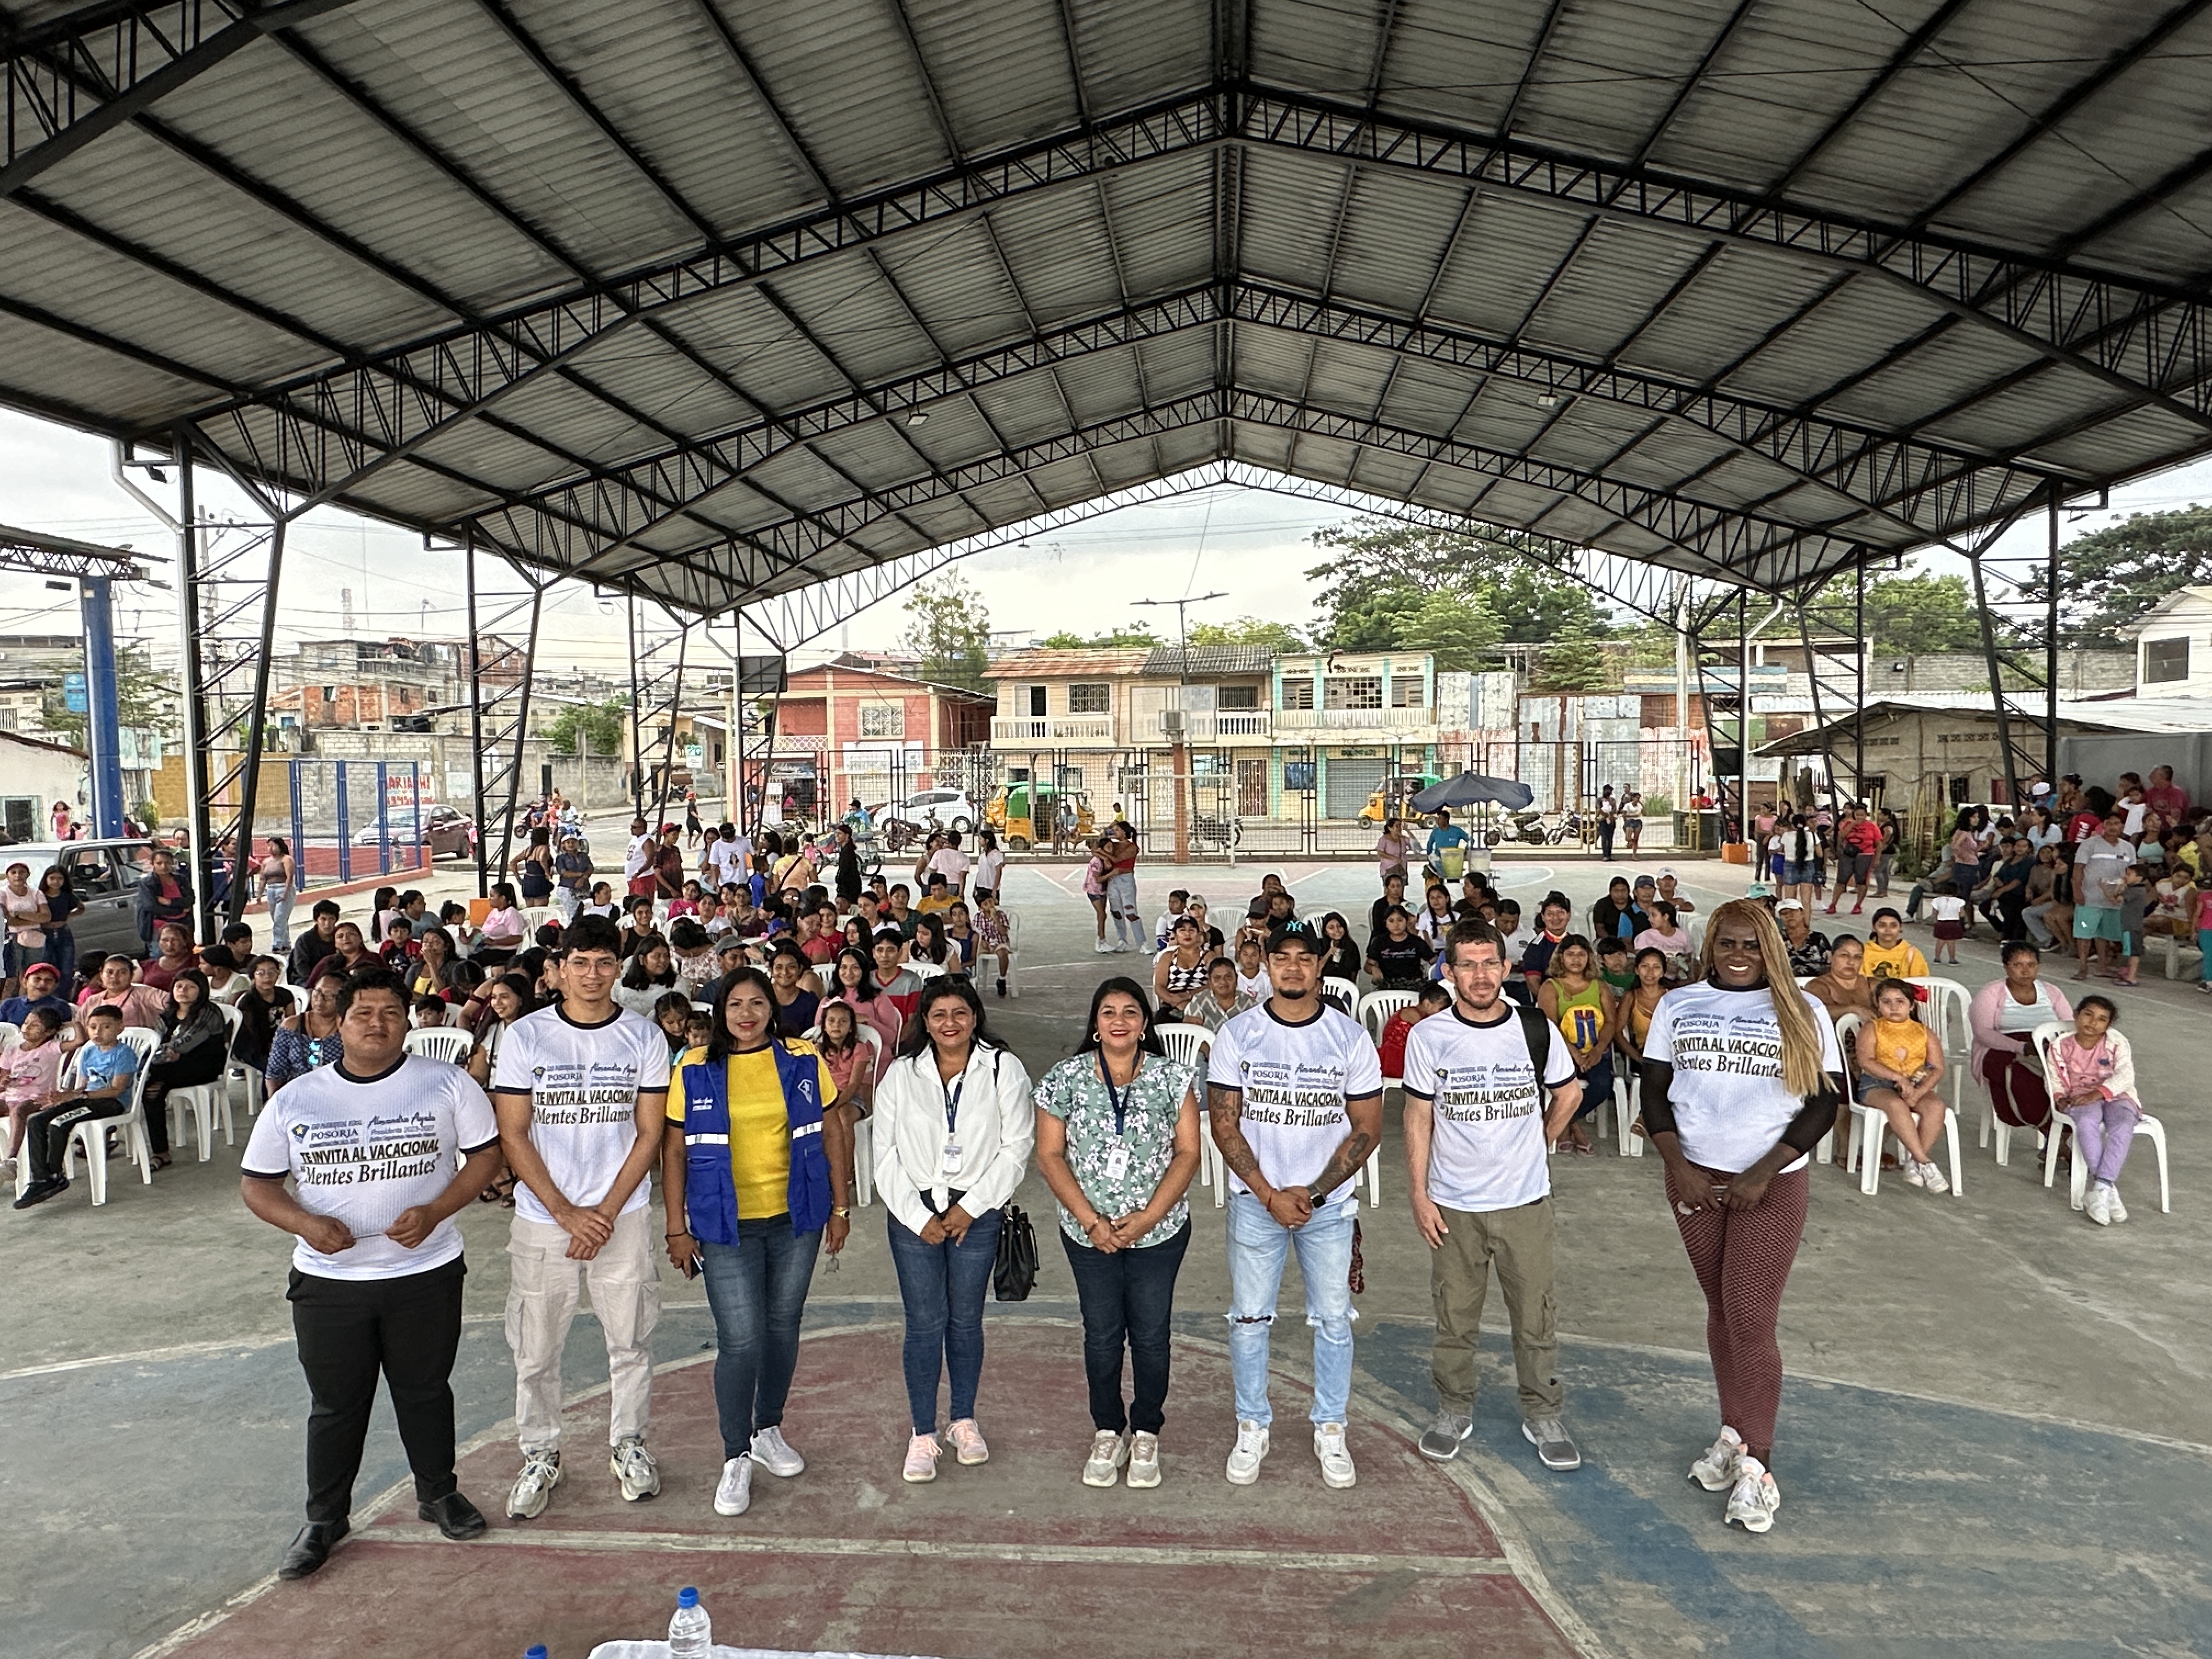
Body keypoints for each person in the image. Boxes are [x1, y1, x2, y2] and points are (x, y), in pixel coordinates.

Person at [237, 967, 501, 1577]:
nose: (377, 1024)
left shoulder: (447, 1084)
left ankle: (438, 1493)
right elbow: (257, 1185)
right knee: (335, 1404)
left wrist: (436, 1211)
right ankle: (325, 1518)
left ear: (408, 1022)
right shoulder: (297, 1097)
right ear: (338, 1022)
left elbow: (486, 1156)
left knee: (425, 1390)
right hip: (329, 1285)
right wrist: (305, 1224)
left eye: (390, 1013)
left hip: (425, 1273)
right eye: (363, 1013)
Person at [1639, 900, 1844, 1536]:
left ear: (1771, 950)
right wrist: (1679, 1166)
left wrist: (1764, 1170)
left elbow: (1824, 1103)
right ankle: (1734, 1434)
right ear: (1710, 947)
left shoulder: (1802, 1009)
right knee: (1721, 1312)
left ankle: (1760, 1467)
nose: (1738, 955)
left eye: (1751, 945)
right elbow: (1654, 1090)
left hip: (1768, 1184)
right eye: (1727, 943)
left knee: (1752, 1320)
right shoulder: (1679, 1005)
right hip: (1695, 1180)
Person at [489, 915, 672, 1521]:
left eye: (604, 963)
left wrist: (605, 1213)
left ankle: (629, 1443)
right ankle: (540, 1453)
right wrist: (567, 1213)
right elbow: (513, 1134)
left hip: (623, 1216)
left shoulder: (644, 1037)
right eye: (581, 963)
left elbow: (649, 1134)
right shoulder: (525, 1036)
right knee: (537, 1348)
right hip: (545, 1219)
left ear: (618, 968)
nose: (593, 975)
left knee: (631, 1339)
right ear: (559, 969)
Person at [663, 962, 853, 1504]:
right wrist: (676, 1228)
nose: (746, 1014)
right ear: (720, 1012)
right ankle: (735, 1455)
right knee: (741, 1340)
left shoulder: (802, 1058)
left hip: (797, 1219)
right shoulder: (695, 1066)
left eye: (757, 1003)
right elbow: (673, 1151)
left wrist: (841, 1207)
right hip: (725, 1225)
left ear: (773, 1009)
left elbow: (833, 1130)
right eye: (734, 1005)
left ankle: (767, 1428)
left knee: (782, 1327)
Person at [1205, 918, 1383, 1490]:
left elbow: (1367, 1127)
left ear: (1321, 964)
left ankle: (1331, 1426)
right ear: (1266, 964)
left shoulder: (1349, 1037)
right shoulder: (1239, 1034)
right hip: (1256, 1203)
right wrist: (1269, 1194)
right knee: (1249, 1319)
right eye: (1281, 956)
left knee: (1333, 1320)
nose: (1292, 967)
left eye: (1304, 957)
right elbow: (1225, 1125)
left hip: (1326, 1209)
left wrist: (1315, 1192)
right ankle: (1252, 1424)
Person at [1403, 919, 1585, 1470]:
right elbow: (1418, 1117)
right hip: (1454, 1205)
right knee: (1454, 1316)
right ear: (1449, 971)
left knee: (1535, 1316)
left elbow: (1569, 1094)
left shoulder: (1534, 1029)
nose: (1480, 976)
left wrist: (1539, 1141)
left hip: (1525, 1201)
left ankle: (1543, 1413)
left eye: (1490, 964)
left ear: (1506, 968)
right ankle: (1453, 1409)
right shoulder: (1429, 1037)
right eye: (1468, 965)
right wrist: (1420, 1194)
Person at [1034, 979, 1202, 1488]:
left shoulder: (1172, 1077)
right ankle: (1108, 1428)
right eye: (1108, 1012)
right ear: (1095, 1023)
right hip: (1089, 1234)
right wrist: (1091, 1221)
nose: (1119, 1021)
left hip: (1159, 1232)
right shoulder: (1064, 1078)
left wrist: (1148, 1217)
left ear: (1145, 1023)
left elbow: (1188, 1152)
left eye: (1130, 1011)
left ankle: (1147, 1430)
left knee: (1151, 1334)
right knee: (1103, 1334)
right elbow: (1050, 1155)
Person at [873, 977, 1035, 1483]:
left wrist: (973, 1207)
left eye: (960, 1013)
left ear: (975, 1017)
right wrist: (917, 1216)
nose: (950, 1023)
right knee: (924, 1323)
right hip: (913, 1212)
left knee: (965, 1321)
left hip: (978, 1211)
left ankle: (963, 1420)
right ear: (925, 1021)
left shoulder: (1003, 1068)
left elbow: (1017, 1148)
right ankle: (923, 1432)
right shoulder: (901, 1074)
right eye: (939, 1014)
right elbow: (884, 1155)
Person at [12, 1002, 140, 1207]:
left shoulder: (123, 1053)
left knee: (59, 1123)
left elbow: (117, 1090)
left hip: (111, 1102)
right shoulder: (88, 1052)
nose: (98, 1032)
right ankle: (41, 1178)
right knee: (36, 1121)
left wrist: (78, 1096)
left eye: (106, 1027)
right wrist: (65, 1096)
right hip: (86, 1098)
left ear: (120, 1028)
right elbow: (82, 1084)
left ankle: (55, 1175)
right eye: (93, 1027)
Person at [1853, 979, 1950, 1193]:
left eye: (1900, 1001)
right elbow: (1866, 1061)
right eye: (1886, 1002)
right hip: (1878, 1084)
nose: (1894, 1007)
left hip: (1915, 1085)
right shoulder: (1872, 1028)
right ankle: (1924, 1162)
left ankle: (1914, 1163)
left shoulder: (1924, 1032)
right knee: (1896, 1105)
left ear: (1911, 1005)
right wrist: (1897, 1077)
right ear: (1878, 1005)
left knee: (1936, 1107)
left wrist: (1919, 1092)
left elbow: (1937, 1068)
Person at [2050, 996, 2140, 1225]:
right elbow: (2054, 1078)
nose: (2093, 1023)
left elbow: (2126, 1076)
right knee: (2087, 1122)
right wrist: (2060, 1097)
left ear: (2109, 1025)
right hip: (2080, 1097)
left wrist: (2098, 1093)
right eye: (2088, 1015)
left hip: (2117, 1095)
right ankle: (2107, 1190)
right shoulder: (2060, 1046)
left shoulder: (2117, 1042)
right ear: (2076, 1015)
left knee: (2123, 1125)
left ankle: (2101, 1188)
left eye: (2102, 1019)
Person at [1970, 940, 2072, 1136]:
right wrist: (2022, 1047)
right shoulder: (1991, 993)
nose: (2025, 971)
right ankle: (2051, 1132)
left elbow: (2069, 1025)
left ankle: (2062, 1130)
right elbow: (1983, 1033)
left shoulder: (2051, 992)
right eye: (2018, 965)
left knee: (2073, 1076)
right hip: (2002, 1048)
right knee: (2024, 1076)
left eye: (2031, 965)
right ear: (2006, 967)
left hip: (2047, 1047)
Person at [140, 968, 229, 1170]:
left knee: (150, 1078)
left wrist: (167, 1054)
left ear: (202, 990)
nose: (183, 991)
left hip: (204, 1064)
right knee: (151, 1090)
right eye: (179, 986)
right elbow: (155, 1041)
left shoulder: (209, 1013)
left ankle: (160, 1153)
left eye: (190, 987)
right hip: (169, 1066)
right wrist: (164, 1054)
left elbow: (188, 1043)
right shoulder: (168, 1013)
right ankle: (160, 1152)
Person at [1537, 935, 1614, 1155]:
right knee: (1565, 1086)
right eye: (1570, 954)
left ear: (1589, 958)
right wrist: (1574, 1054)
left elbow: (1610, 1022)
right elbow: (1551, 1025)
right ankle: (1576, 1130)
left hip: (1595, 1051)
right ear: (1561, 958)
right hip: (1562, 1053)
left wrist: (1597, 1050)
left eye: (1581, 954)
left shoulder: (1600, 987)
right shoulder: (1551, 987)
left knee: (1603, 1084)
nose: (1576, 959)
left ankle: (1569, 1121)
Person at [2069, 809, 2133, 982]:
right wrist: (2077, 891)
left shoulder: (2128, 848)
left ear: (2122, 826)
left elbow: (2131, 873)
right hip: (2089, 898)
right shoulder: (2089, 845)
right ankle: (2082, 968)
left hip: (2113, 900)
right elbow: (2078, 869)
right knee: (2084, 933)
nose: (2113, 827)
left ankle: (2102, 967)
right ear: (2103, 825)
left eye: (2117, 824)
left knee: (2105, 934)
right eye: (2109, 823)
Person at [2, 1007, 65, 1171]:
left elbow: (78, 1041)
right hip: (11, 1095)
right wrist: (4, 1082)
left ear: (49, 1032)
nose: (27, 1028)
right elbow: (4, 1076)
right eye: (26, 1023)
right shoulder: (13, 1049)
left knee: (19, 1112)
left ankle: (10, 1160)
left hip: (38, 1097)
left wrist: (72, 1025)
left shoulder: (51, 1048)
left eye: (35, 1025)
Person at [268, 974, 346, 1093]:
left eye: (329, 996)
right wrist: (274, 1099)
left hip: (337, 1092)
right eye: (317, 992)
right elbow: (275, 1072)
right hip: (297, 1091)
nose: (320, 999)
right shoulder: (292, 1025)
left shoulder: (348, 1029)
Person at [1377, 979, 1451, 1076]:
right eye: (1441, 1009)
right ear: (1427, 1004)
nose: (1443, 1013)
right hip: (1397, 1061)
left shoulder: (1421, 1015)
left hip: (1406, 1057)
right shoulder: (1414, 1016)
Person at [1152, 914, 1212, 1022]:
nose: (1187, 934)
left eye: (1192, 930)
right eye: (1182, 930)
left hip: (1201, 1003)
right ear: (1175, 935)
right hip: (1172, 1005)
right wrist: (1173, 1000)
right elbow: (1159, 986)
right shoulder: (1168, 956)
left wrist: (1189, 997)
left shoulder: (1208, 956)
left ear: (1198, 935)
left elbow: (1214, 983)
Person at [134, 846, 192, 953]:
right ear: (153, 864)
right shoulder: (147, 883)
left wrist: (170, 902)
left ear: (172, 863)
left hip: (183, 925)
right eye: (159, 863)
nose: (164, 867)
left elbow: (190, 900)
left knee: (184, 954)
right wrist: (179, 910)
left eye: (167, 863)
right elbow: (151, 907)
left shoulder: (181, 880)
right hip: (159, 927)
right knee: (159, 955)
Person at [1365, 905, 1435, 990]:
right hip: (1386, 987)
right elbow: (1368, 965)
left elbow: (1434, 961)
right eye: (1391, 921)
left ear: (1407, 921)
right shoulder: (1379, 942)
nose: (1396, 925)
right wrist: (1373, 969)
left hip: (1413, 986)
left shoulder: (1417, 942)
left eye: (1400, 920)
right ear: (1386, 923)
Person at [1182, 955, 1256, 1034]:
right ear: (1210, 982)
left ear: (1237, 978)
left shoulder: (1249, 1003)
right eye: (1217, 978)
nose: (1223, 981)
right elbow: (1191, 1035)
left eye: (1228, 977)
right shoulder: (1199, 1001)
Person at [614, 935, 679, 1020]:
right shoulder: (622, 980)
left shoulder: (676, 984)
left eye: (666, 956)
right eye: (657, 956)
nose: (663, 960)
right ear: (642, 959)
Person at [1858, 909, 1928, 982]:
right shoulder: (1863, 953)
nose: (1888, 930)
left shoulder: (1911, 953)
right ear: (1874, 928)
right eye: (1882, 926)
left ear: (1900, 928)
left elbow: (1920, 983)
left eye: (1893, 926)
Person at [1102, 825, 1142, 952]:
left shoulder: (1132, 848)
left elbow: (1117, 860)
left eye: (1117, 830)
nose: (1114, 832)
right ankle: (1122, 940)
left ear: (1125, 832)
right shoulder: (1112, 845)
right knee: (1116, 912)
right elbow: (1096, 849)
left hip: (1126, 880)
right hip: (1113, 879)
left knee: (1131, 912)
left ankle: (1142, 942)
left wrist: (1103, 853)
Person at [1588, 876, 1647, 944]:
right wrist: (1614, 943)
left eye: (1623, 891)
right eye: (1616, 891)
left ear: (1629, 891)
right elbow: (1600, 929)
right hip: (1606, 942)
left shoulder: (1634, 906)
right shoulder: (1602, 905)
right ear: (1610, 892)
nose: (1620, 894)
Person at [1422, 808, 1469, 883]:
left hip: (1453, 862)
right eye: (1438, 819)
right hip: (1438, 861)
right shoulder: (1435, 832)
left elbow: (1470, 840)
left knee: (1453, 883)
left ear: (1446, 820)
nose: (1437, 821)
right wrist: (1429, 856)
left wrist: (1466, 850)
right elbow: (1430, 844)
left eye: (1440, 819)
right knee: (1438, 883)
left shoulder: (1456, 831)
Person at [1927, 882, 1967, 966]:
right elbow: (1962, 914)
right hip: (1953, 923)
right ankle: (1952, 960)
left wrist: (1935, 921)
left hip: (1941, 922)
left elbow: (1934, 912)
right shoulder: (1959, 901)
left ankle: (1937, 958)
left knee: (1940, 941)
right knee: (1951, 942)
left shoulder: (1937, 900)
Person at [1374, 817, 1415, 888]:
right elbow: (1380, 853)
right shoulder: (1384, 839)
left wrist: (1408, 831)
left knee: (1401, 889)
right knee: (1390, 890)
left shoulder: (1403, 839)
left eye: (1400, 826)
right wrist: (1394, 858)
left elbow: (1416, 845)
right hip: (1389, 868)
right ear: (1390, 828)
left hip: (1402, 867)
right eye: (1397, 826)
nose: (1399, 828)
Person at [1595, 785, 1620, 861]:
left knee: (1610, 838)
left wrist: (1611, 806)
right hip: (1603, 820)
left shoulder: (1612, 800)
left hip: (1611, 819)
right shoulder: (1599, 800)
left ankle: (1609, 854)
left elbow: (1615, 809)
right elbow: (1599, 809)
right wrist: (1605, 815)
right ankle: (1605, 854)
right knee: (1604, 837)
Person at [1622, 789, 1646, 855]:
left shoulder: (1639, 806)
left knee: (1636, 838)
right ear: (1633, 798)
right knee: (1628, 838)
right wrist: (1631, 816)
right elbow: (1624, 815)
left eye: (1639, 798)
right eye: (1637, 798)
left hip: (1637, 822)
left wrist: (1643, 806)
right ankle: (1631, 842)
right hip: (1630, 821)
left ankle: (1634, 854)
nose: (1638, 800)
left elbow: (1645, 813)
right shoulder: (1628, 805)